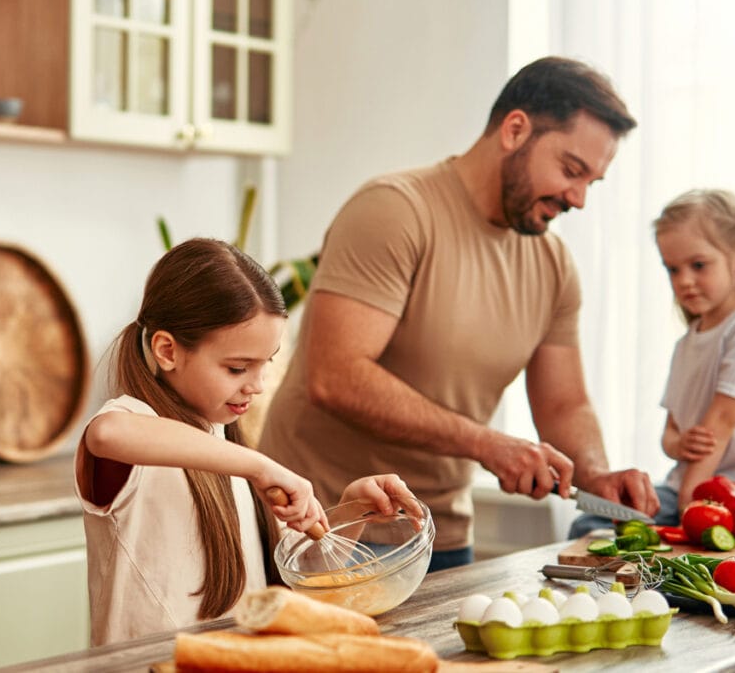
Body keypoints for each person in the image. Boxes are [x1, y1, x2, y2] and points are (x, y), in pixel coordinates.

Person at [258, 56, 658, 572]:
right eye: (571, 170)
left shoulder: (553, 265)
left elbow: (564, 404)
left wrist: (595, 474)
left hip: (438, 538)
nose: (577, 198)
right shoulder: (395, 211)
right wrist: (487, 444)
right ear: (515, 130)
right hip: (323, 529)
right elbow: (335, 376)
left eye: (591, 183)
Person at [76, 238, 419, 646]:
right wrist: (259, 466)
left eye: (266, 362)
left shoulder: (226, 444)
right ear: (167, 350)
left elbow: (299, 580)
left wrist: (353, 511)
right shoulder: (137, 430)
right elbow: (107, 433)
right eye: (238, 367)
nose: (256, 385)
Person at [569, 190, 735, 536]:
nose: (683, 280)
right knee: (591, 523)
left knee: (595, 529)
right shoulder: (687, 342)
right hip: (682, 488)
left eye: (698, 265)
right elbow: (670, 433)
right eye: (672, 269)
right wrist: (679, 444)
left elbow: (721, 423)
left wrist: (692, 508)